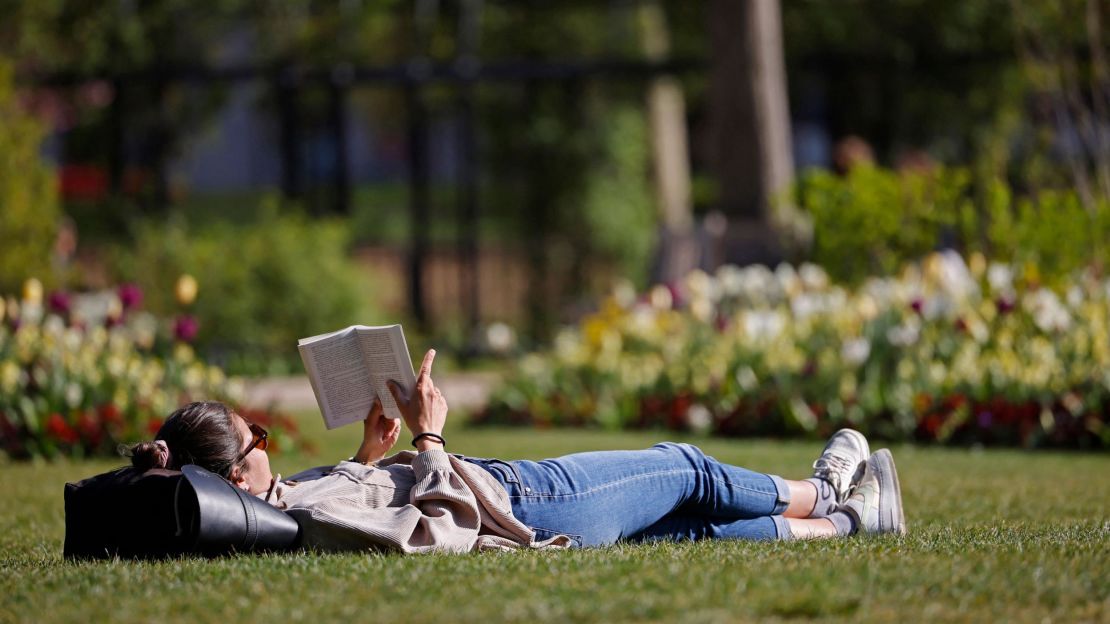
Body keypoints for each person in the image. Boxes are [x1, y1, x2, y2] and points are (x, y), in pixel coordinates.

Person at [127, 350, 905, 553]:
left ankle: (848, 527)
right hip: (523, 501)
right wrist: (429, 433)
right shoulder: (290, 514)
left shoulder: (264, 514)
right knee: (683, 469)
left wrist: (370, 450)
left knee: (687, 531)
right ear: (234, 472)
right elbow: (425, 530)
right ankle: (823, 491)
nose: (269, 445)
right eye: (257, 439)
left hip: (511, 502)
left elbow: (365, 507)